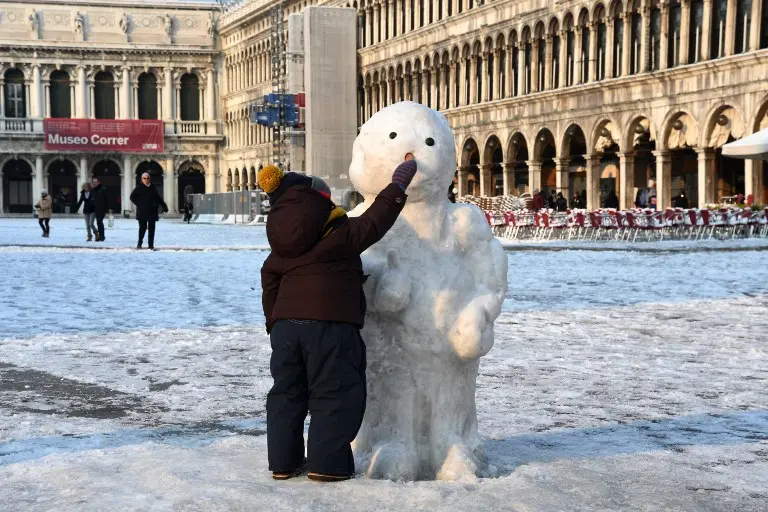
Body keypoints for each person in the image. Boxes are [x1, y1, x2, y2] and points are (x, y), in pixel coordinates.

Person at [259, 157, 416, 482]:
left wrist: (275, 321)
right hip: (329, 324)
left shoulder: (281, 245)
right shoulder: (339, 235)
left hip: (287, 328)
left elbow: (269, 278)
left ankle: (284, 463)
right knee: (334, 390)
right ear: (318, 204)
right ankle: (327, 464)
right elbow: (376, 219)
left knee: (286, 393)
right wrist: (399, 182)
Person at [130, 172, 169, 250]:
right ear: (142, 179)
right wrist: (140, 204)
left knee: (151, 229)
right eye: (144, 178)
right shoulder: (139, 187)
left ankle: (150, 245)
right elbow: (132, 197)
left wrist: (164, 206)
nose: (146, 180)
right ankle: (139, 243)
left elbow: (158, 198)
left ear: (150, 179)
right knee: (142, 228)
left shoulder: (153, 187)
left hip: (152, 211)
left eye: (148, 178)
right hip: (142, 212)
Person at [90, 177, 109, 242]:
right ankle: (98, 235)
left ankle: (102, 236)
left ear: (99, 182)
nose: (94, 183)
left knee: (99, 222)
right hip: (94, 209)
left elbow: (107, 199)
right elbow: (91, 199)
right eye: (93, 182)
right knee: (92, 223)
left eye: (95, 182)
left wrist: (108, 208)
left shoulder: (103, 189)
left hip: (101, 209)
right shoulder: (92, 190)